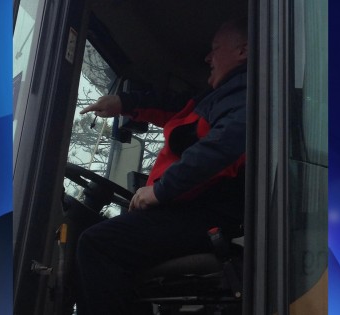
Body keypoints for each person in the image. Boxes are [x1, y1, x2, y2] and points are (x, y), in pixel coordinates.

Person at [76, 17, 248, 315]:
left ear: (243, 51)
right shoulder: (216, 97)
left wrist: (159, 191)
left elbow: (221, 147)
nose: (207, 57)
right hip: (189, 210)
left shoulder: (247, 95)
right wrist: (124, 103)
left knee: (97, 244)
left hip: (203, 214)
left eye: (215, 48)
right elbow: (174, 107)